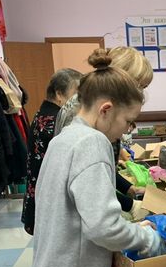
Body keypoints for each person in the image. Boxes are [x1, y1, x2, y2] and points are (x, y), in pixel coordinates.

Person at [30, 50, 163, 267]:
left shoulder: (65, 137)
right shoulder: (93, 143)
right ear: (106, 109)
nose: (127, 131)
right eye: (128, 122)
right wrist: (147, 238)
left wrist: (130, 225)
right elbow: (102, 227)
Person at [54, 47, 154, 221]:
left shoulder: (98, 113)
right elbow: (91, 192)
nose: (139, 94)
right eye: (139, 86)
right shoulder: (85, 124)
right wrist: (131, 208)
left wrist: (128, 189)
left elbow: (103, 171)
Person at [22, 68, 82, 235]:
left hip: (40, 193)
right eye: (76, 93)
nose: (80, 100)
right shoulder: (54, 120)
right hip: (48, 198)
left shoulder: (45, 114)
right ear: (59, 94)